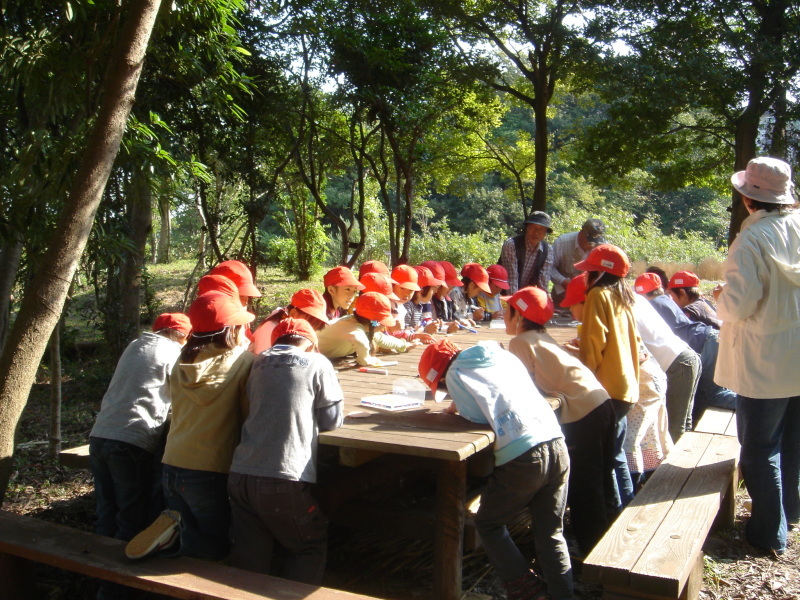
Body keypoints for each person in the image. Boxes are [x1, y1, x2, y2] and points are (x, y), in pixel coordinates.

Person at [419, 339, 572, 600]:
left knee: (488, 523)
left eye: (442, 386)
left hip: (523, 457)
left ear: (442, 374)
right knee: (550, 532)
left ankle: (528, 590)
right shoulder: (501, 355)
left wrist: (458, 405)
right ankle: (563, 596)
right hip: (556, 443)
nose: (447, 390)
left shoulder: (456, 372)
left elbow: (478, 418)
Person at [125, 291, 255, 561]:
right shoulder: (243, 363)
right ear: (230, 330)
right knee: (213, 549)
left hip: (171, 465)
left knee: (192, 543)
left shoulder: (179, 362)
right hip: (210, 469)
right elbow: (248, 415)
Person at [713, 156, 800, 555]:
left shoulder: (751, 239)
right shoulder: (797, 227)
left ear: (749, 199)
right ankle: (790, 513)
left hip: (764, 361)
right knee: (793, 442)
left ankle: (769, 534)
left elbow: (740, 303)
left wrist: (721, 299)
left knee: (760, 450)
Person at [228, 318, 343, 584]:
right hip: (283, 477)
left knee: (250, 559)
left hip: (240, 475)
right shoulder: (318, 363)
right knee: (308, 547)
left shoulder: (257, 362)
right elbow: (332, 419)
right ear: (312, 344)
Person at [505, 286, 617, 556]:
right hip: (601, 402)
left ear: (518, 316)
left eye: (508, 310)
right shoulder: (541, 336)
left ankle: (595, 556)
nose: (503, 313)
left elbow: (520, 388)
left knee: (584, 487)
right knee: (600, 480)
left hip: (583, 413)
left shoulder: (519, 343)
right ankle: (608, 542)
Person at [90, 313, 190, 600]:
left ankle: (98, 578)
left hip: (100, 436)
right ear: (181, 336)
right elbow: (184, 398)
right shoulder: (173, 353)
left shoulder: (135, 346)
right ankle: (117, 590)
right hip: (131, 440)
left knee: (106, 514)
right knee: (130, 519)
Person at [574, 244, 640, 508]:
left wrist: (579, 384)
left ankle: (607, 519)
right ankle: (625, 508)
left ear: (599, 274)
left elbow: (592, 346)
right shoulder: (623, 297)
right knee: (615, 456)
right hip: (626, 388)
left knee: (600, 465)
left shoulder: (598, 295)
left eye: (590, 270)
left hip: (607, 392)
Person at [634, 272, 735, 423]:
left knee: (710, 396)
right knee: (710, 394)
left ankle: (753, 401)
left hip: (707, 343)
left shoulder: (653, 305)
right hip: (712, 339)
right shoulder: (665, 300)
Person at [317, 291, 417, 366]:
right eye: (382, 322)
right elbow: (361, 343)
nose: (384, 326)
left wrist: (404, 345)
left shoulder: (361, 327)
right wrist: (366, 359)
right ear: (374, 322)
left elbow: (381, 338)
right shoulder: (354, 329)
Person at [251, 288, 330, 355]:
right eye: (309, 324)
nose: (309, 331)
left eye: (314, 328)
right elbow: (264, 364)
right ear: (293, 313)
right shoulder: (270, 329)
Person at [549, 218, 606, 306]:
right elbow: (550, 267)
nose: (593, 245)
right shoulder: (562, 242)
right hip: (562, 295)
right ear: (581, 233)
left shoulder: (604, 247)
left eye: (595, 242)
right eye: (590, 241)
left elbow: (606, 272)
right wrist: (563, 281)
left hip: (590, 297)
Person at [499, 211, 554, 294]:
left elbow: (543, 281)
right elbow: (511, 279)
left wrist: (543, 302)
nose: (536, 232)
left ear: (545, 233)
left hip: (524, 295)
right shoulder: (511, 245)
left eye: (541, 229)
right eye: (533, 228)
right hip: (501, 292)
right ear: (527, 228)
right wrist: (514, 303)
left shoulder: (548, 250)